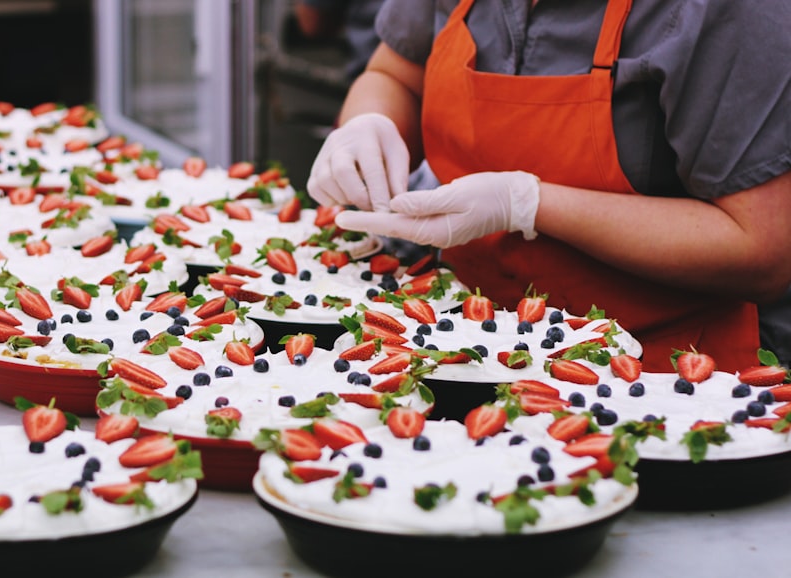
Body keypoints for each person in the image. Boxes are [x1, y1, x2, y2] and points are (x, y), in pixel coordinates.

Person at [307, 0, 791, 373]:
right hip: (457, 343)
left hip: (665, 374)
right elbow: (395, 73)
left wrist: (528, 204)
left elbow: (760, 250)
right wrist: (368, 124)